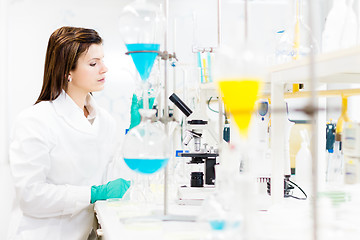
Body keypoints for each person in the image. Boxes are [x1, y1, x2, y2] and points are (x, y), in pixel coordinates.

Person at [9, 26, 130, 240]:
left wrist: (137, 135)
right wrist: (92, 193)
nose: (104, 69)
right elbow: (30, 196)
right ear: (67, 72)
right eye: (93, 63)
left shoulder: (105, 122)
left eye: (102, 60)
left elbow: (115, 179)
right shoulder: (36, 120)